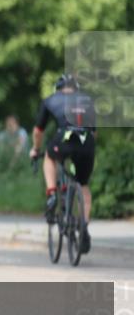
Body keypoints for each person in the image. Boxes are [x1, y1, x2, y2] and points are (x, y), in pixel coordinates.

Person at [28, 74, 97, 253]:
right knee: (83, 185)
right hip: (86, 143)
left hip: (63, 140)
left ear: (58, 88)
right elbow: (94, 132)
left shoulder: (51, 99)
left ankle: (51, 193)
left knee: (49, 158)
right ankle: (84, 227)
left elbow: (38, 131)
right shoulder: (88, 100)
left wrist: (35, 149)